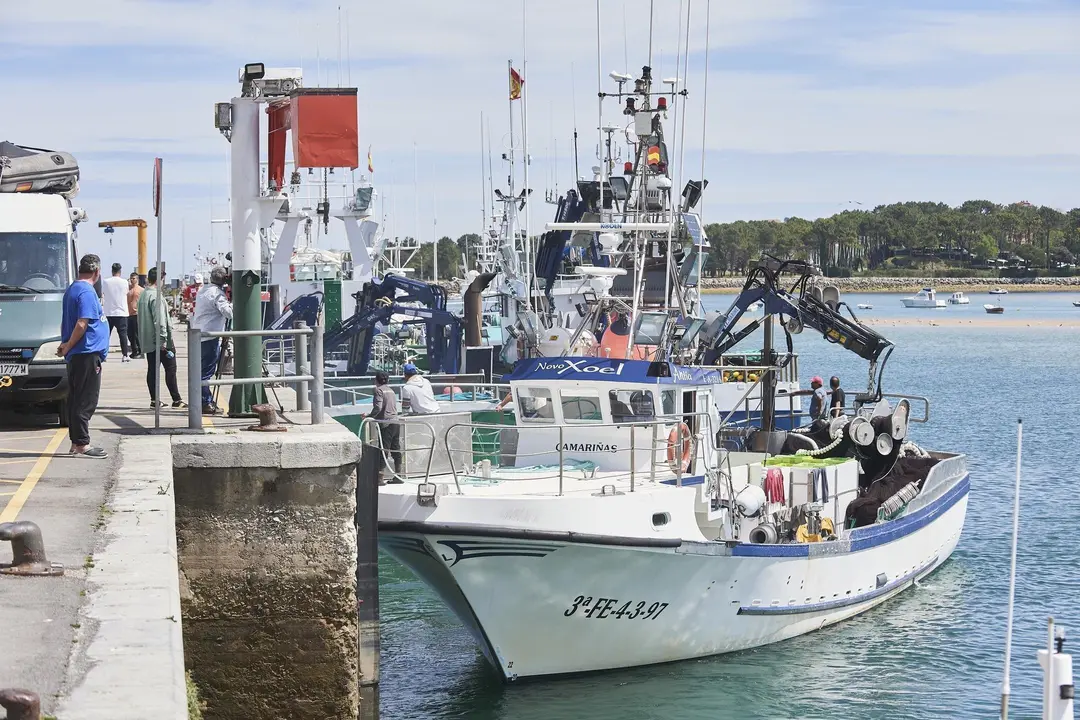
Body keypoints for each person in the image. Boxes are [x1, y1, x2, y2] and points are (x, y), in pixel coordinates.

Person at [58, 254, 109, 459]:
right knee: (86, 399)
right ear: (97, 272)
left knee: (77, 397)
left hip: (79, 354)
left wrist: (66, 346)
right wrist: (70, 345)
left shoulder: (72, 289)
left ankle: (75, 441)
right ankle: (81, 443)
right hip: (86, 353)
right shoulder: (87, 292)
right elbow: (81, 323)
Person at [137, 267, 186, 408]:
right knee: (171, 369)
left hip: (148, 341)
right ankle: (176, 399)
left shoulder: (143, 295)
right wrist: (163, 340)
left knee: (152, 370)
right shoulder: (156, 296)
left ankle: (154, 400)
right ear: (160, 280)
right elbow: (160, 321)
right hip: (160, 341)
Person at [192, 266, 233, 414]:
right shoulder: (217, 294)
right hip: (210, 336)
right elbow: (229, 313)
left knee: (202, 369)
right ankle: (205, 402)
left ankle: (204, 399)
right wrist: (234, 302)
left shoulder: (203, 290)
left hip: (199, 334)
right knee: (207, 371)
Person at [368, 371, 402, 481]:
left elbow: (378, 407)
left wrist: (370, 416)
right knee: (395, 448)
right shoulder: (391, 391)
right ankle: (399, 475)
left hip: (386, 424)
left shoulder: (379, 390)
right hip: (395, 422)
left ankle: (380, 477)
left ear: (376, 380)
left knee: (383, 449)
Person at [101, 262, 131, 362]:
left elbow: (103, 293)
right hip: (121, 312)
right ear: (120, 271)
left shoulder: (106, 281)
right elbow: (127, 293)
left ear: (112, 271)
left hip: (108, 312)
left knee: (106, 335)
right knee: (123, 335)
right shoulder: (124, 282)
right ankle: (125, 355)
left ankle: (103, 355)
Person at [126, 272, 143, 358]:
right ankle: (134, 350)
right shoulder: (128, 289)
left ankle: (140, 351)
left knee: (137, 334)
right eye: (131, 278)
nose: (132, 280)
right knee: (130, 334)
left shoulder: (141, 290)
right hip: (129, 314)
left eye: (134, 278)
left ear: (137, 279)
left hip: (137, 314)